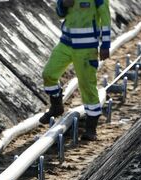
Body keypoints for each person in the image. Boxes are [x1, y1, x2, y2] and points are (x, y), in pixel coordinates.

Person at [39, 0, 111, 140]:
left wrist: (105, 44)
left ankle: (91, 128)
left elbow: (106, 19)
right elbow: (60, 14)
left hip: (86, 48)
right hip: (65, 43)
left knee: (87, 86)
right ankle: (56, 106)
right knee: (48, 74)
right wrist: (63, 4)